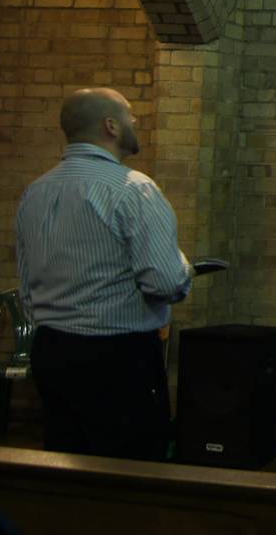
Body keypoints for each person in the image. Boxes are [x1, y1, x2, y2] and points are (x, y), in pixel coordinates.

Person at [15, 87, 192, 461]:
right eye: (129, 115)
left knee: (66, 463)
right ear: (111, 126)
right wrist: (185, 268)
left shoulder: (35, 192)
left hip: (51, 351)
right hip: (118, 357)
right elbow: (165, 282)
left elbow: (27, 283)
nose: (135, 121)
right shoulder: (133, 190)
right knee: (130, 472)